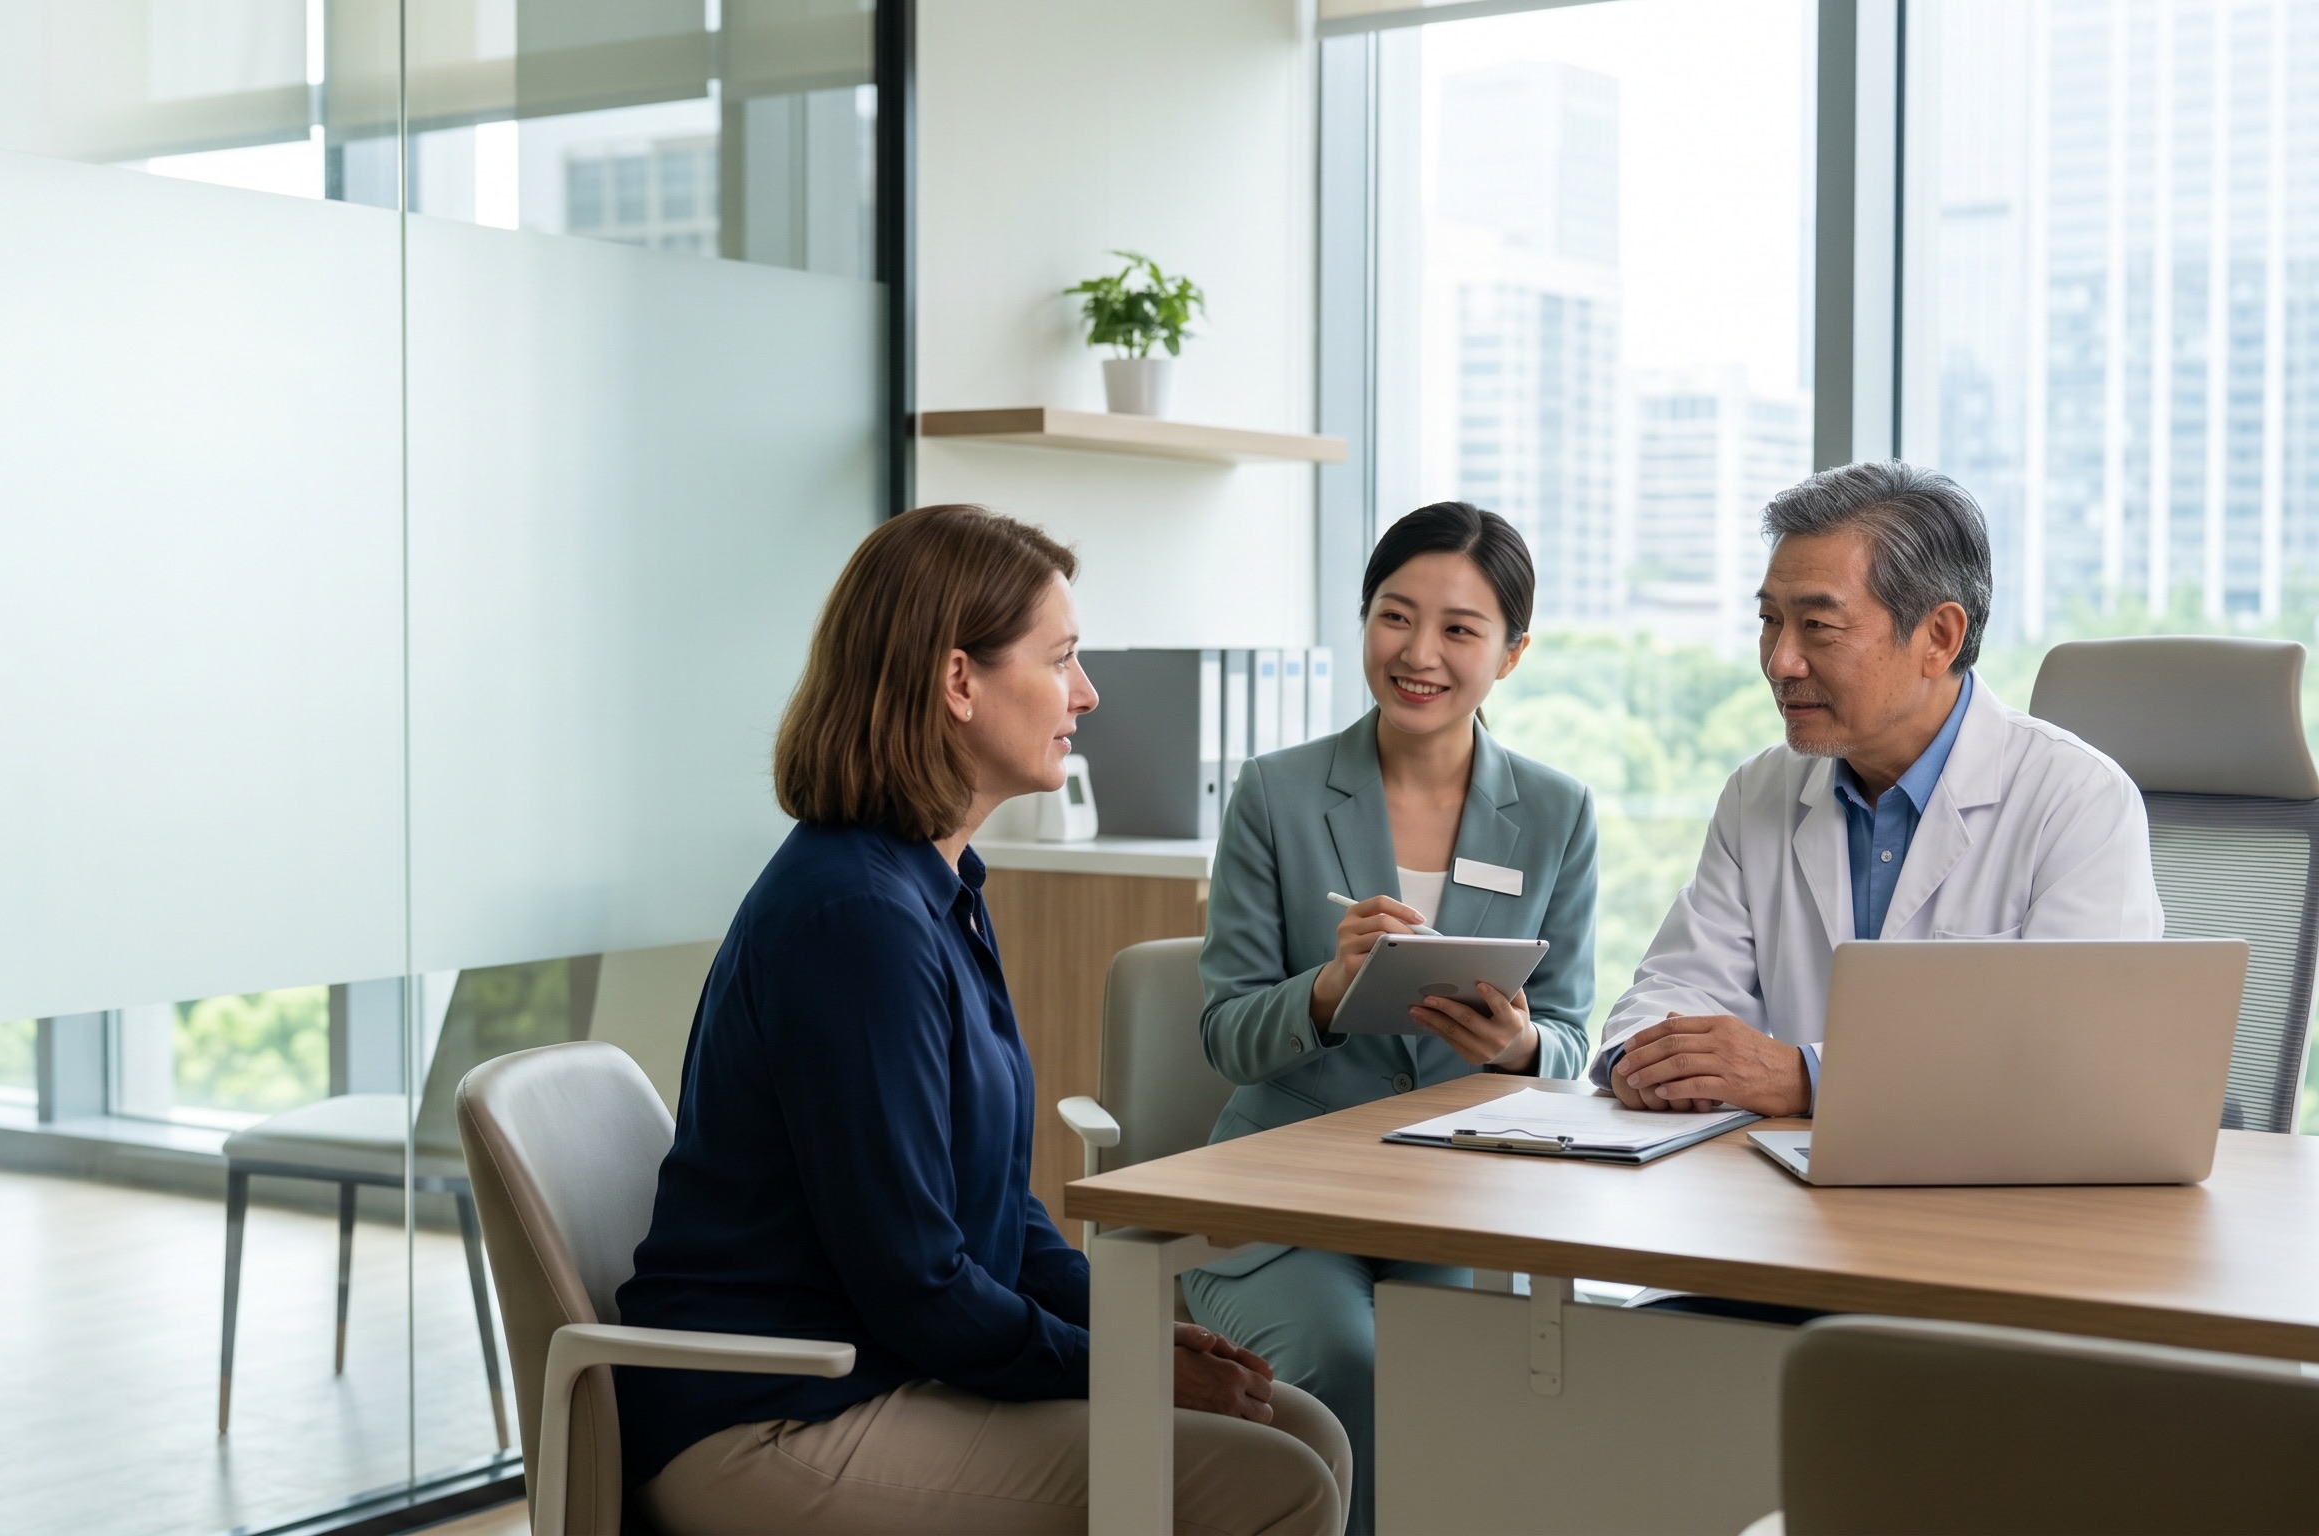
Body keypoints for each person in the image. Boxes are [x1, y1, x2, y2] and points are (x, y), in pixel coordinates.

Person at [614, 504, 1351, 1536]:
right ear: (958, 681)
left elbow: (996, 1224)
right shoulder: (855, 919)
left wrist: (1136, 1332)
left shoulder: (937, 885)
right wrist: (1127, 1369)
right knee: (1275, 1478)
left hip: (879, 1371)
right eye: (1060, 661)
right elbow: (918, 1280)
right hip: (777, 1417)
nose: (1086, 696)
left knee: (1301, 1428)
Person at [1188, 500, 1599, 1536]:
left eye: (1460, 629)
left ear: (1510, 654)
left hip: (1460, 1194)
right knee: (1349, 1362)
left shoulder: (1556, 812)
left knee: (1505, 1371)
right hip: (1285, 1192)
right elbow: (1224, 1029)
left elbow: (1573, 1038)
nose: (1418, 653)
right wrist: (1325, 994)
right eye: (1393, 616)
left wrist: (1520, 1050)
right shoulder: (1276, 796)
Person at [1601, 458, 2162, 1121]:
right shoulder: (1760, 792)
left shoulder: (2076, 799)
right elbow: (1676, 985)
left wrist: (1809, 1078)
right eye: (1770, 621)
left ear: (1939, 637)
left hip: (1986, 1201)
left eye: (1818, 627)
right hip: (1784, 1194)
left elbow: (2076, 1058)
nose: (1781, 662)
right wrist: (1645, 1059)